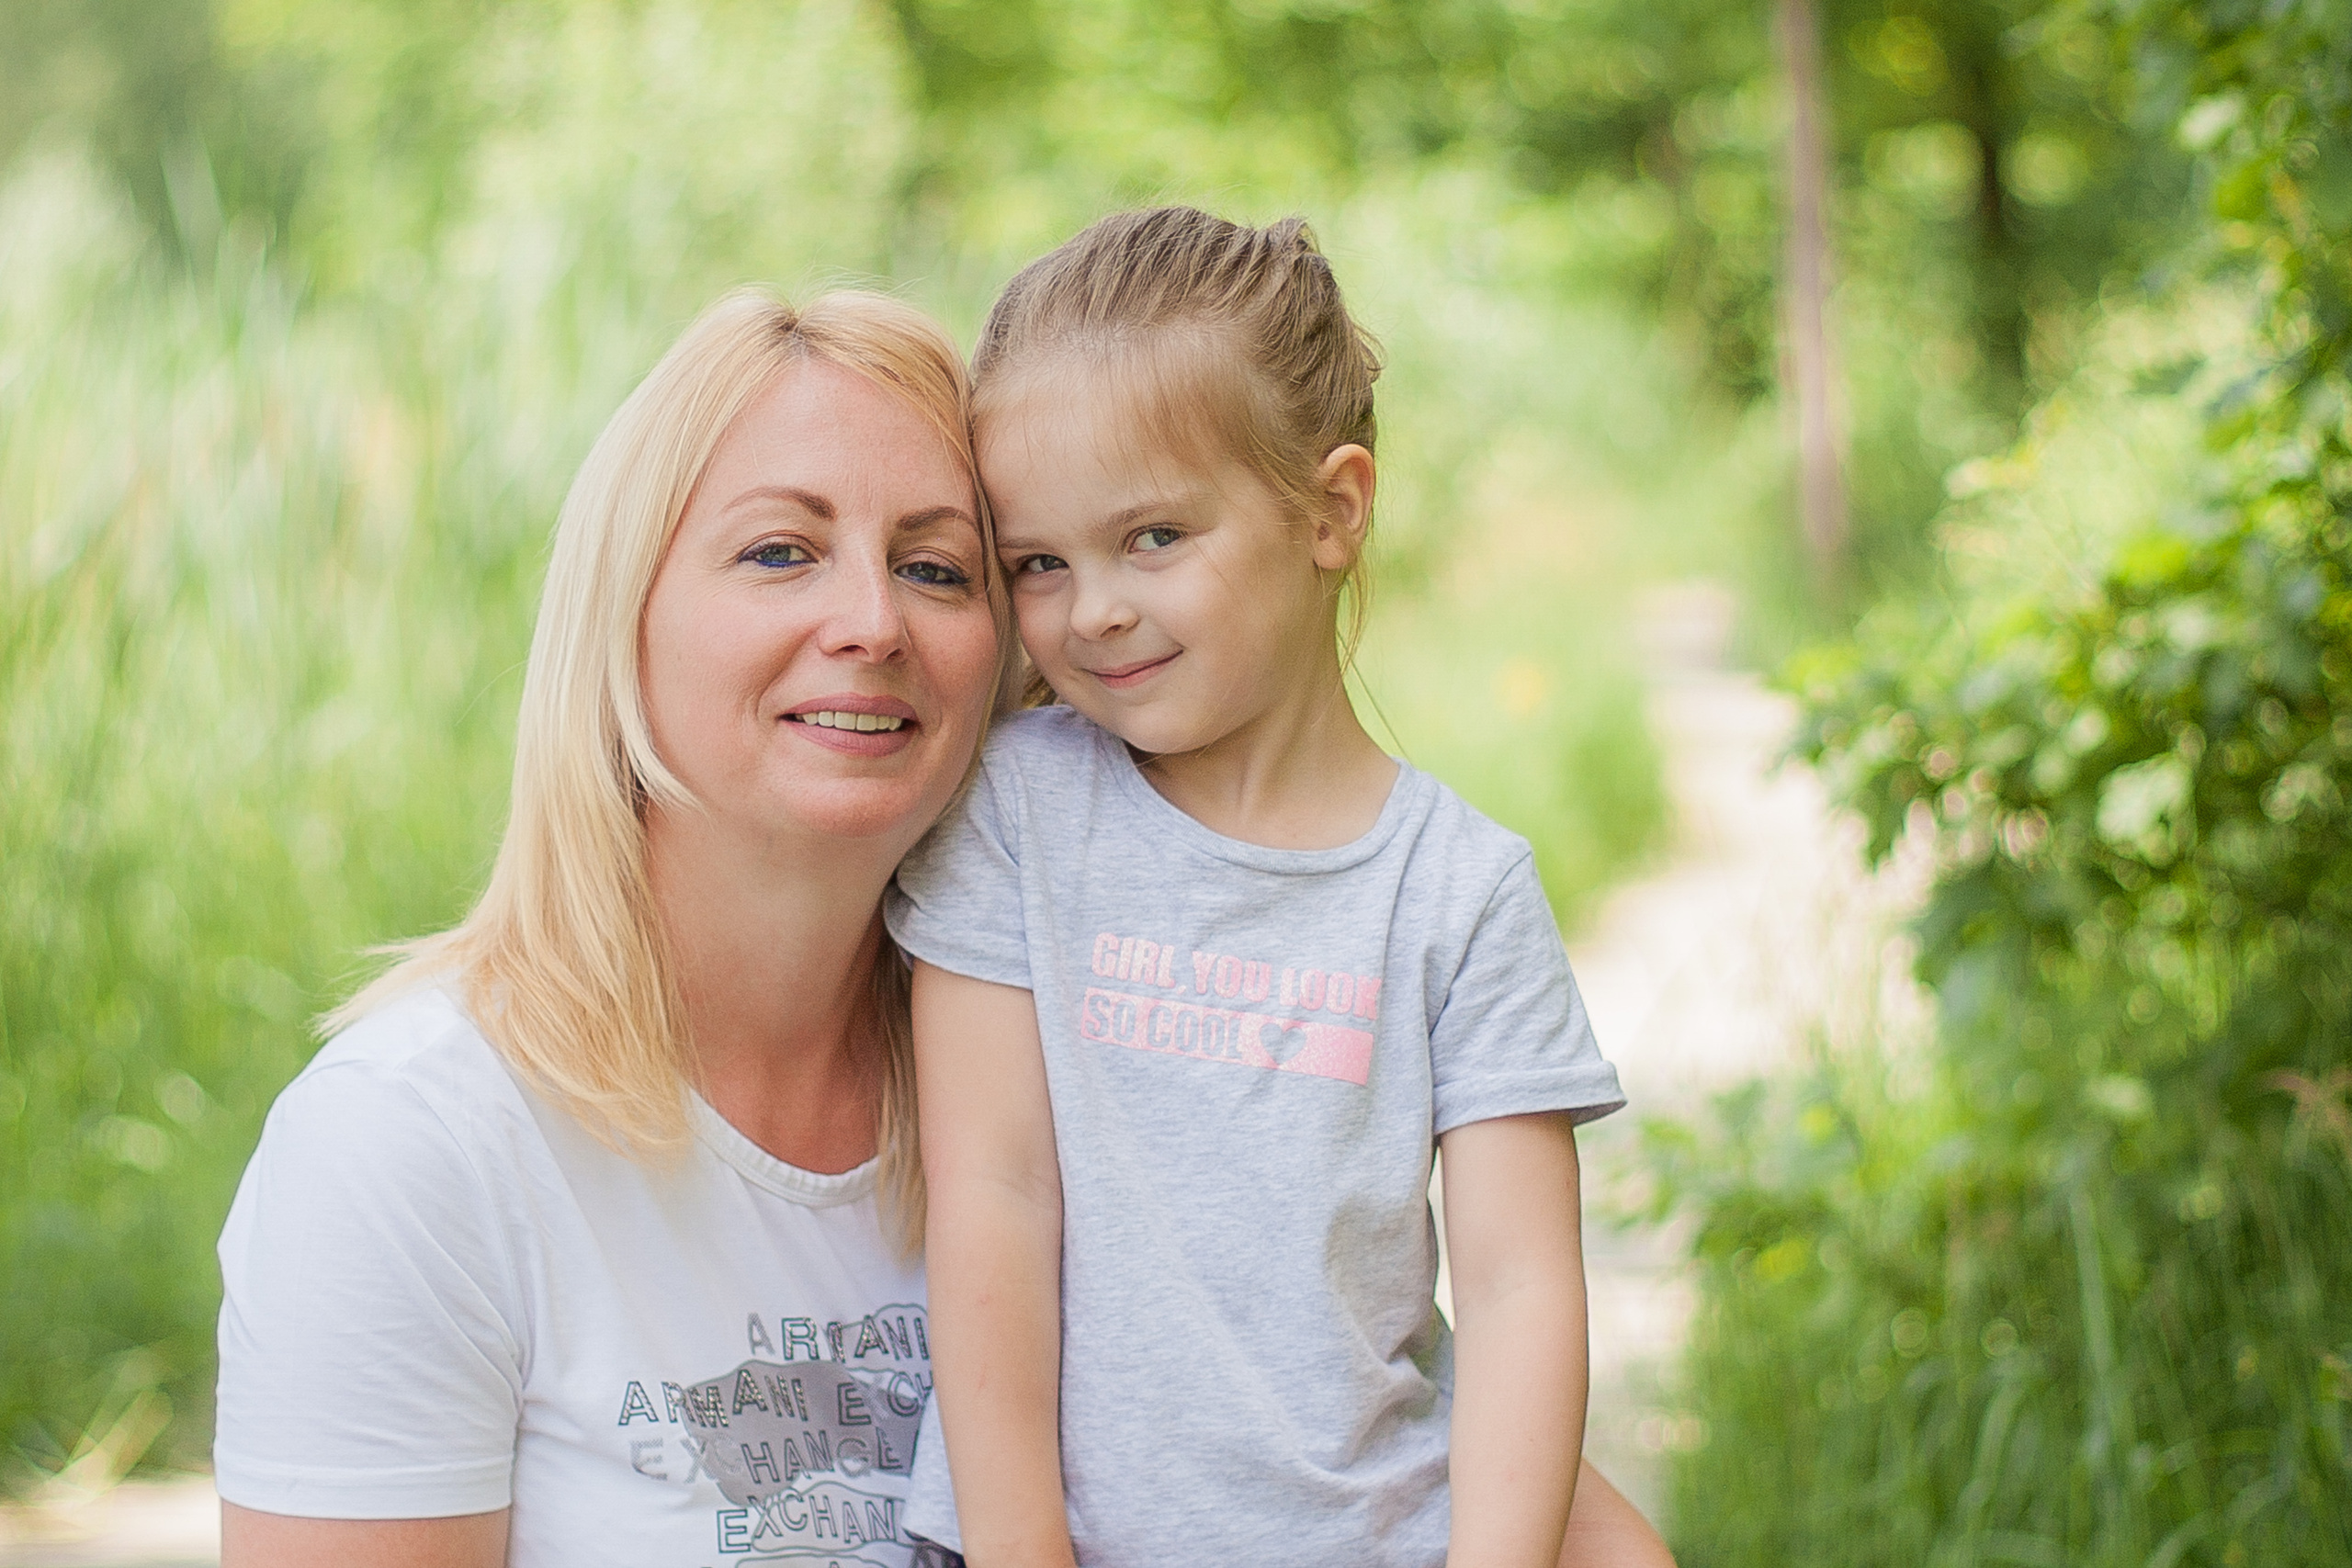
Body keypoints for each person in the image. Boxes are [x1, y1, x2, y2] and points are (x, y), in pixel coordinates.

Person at [893, 207, 1668, 1568]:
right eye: (1040, 564)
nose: (1093, 609)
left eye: (1153, 537)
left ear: (1331, 510)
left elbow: (1518, 1288)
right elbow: (993, 1203)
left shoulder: (1456, 893)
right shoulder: (1016, 814)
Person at [211, 287, 1012, 1567]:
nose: (874, 620)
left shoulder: (1055, 1109)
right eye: (780, 552)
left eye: (936, 568)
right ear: (622, 616)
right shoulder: (409, 1147)